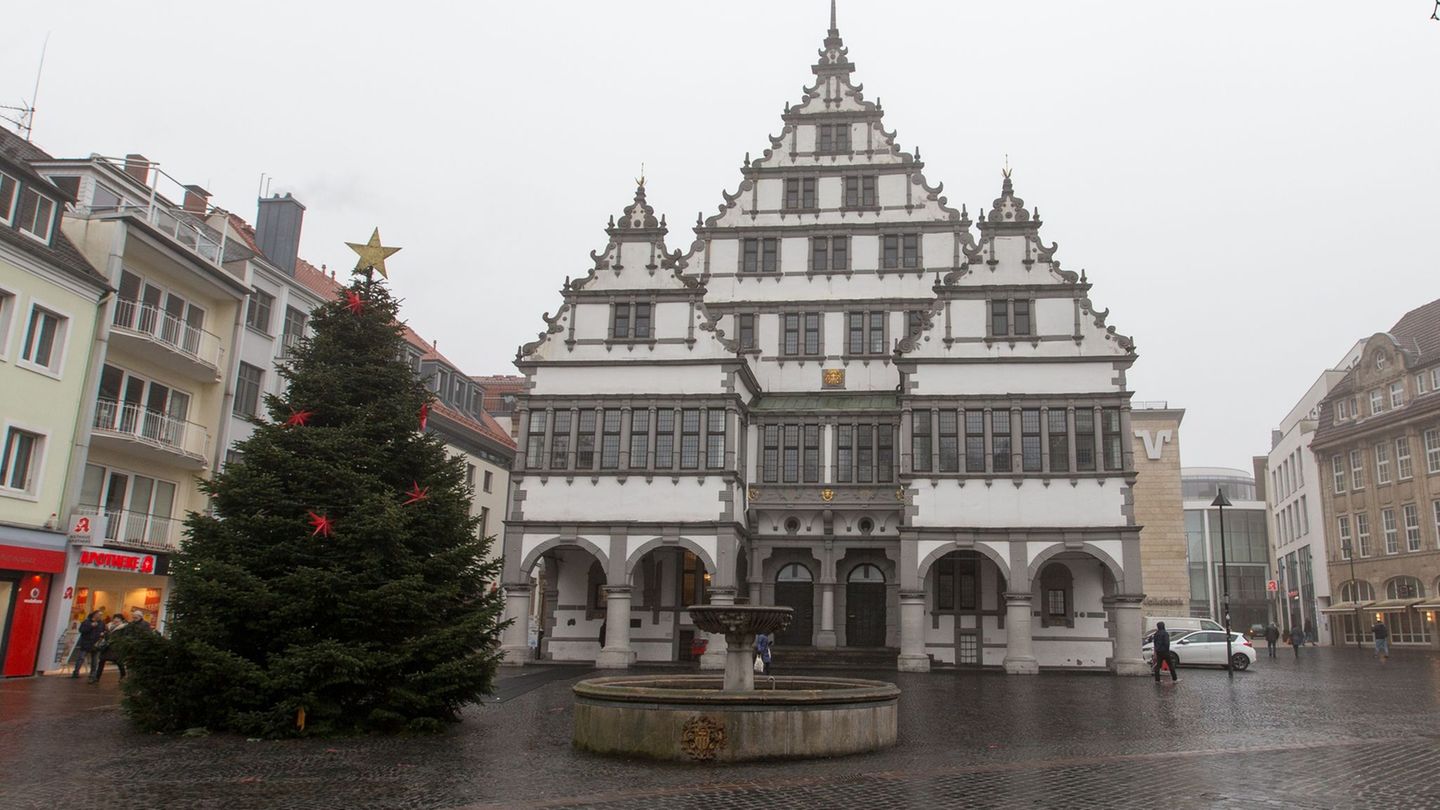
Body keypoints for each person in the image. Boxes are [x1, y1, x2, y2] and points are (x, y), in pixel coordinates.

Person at [94, 614, 130, 681]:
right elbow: (106, 634)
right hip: (106, 647)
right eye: (115, 618)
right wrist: (103, 634)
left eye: (118, 618)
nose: (116, 620)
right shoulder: (109, 626)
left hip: (116, 647)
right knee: (101, 661)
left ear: (121, 619)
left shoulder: (124, 627)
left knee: (118, 662)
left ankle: (123, 675)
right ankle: (97, 677)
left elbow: (125, 637)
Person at [71, 611, 105, 681]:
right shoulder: (86, 622)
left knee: (94, 660)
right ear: (94, 615)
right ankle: (76, 672)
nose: (100, 616)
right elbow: (81, 630)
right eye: (99, 614)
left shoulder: (101, 623)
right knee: (81, 658)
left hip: (96, 644)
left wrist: (103, 633)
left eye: (101, 615)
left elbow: (104, 631)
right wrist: (91, 626)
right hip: (86, 643)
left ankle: (92, 674)